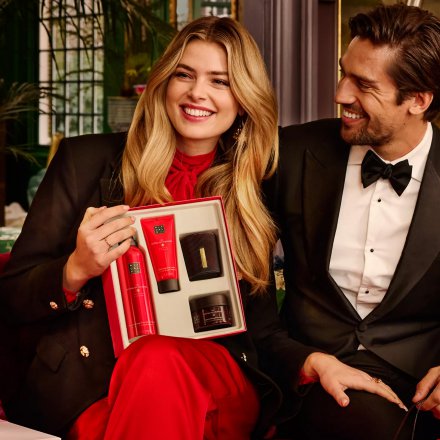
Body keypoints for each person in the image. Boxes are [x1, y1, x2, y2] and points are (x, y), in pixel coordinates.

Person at [0, 16, 283, 439]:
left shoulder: (258, 184)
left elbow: (266, 330)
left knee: (156, 359)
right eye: (184, 75)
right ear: (163, 83)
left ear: (243, 99)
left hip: (216, 376)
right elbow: (11, 297)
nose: (197, 92)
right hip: (93, 380)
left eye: (220, 81)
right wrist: (75, 269)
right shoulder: (83, 162)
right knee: (150, 368)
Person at [264, 4, 440, 439]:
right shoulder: (290, 152)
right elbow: (241, 272)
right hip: (314, 371)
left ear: (418, 100)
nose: (341, 94)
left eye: (363, 84)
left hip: (420, 376)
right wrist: (300, 359)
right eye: (345, 74)